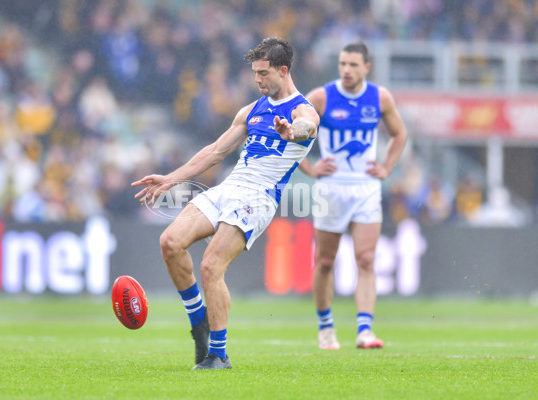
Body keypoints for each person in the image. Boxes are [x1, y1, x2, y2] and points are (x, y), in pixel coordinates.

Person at [132, 37, 319, 369]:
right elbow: (216, 152)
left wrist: (294, 131)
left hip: (259, 197)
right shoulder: (252, 110)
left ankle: (219, 354)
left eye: (263, 73)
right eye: (255, 73)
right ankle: (199, 323)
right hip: (229, 186)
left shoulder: (301, 109)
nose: (257, 80)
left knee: (210, 266)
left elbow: (308, 125)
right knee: (170, 243)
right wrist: (170, 179)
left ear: (283, 70)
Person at [299, 42, 407, 350]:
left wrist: (387, 167)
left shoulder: (379, 97)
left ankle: (364, 331)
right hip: (331, 188)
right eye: (343, 64)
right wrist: (309, 167)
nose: (346, 70)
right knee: (325, 261)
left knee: (366, 258)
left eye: (353, 65)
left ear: (366, 68)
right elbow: (291, 133)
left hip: (365, 188)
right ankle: (325, 327)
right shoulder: (321, 96)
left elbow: (400, 133)